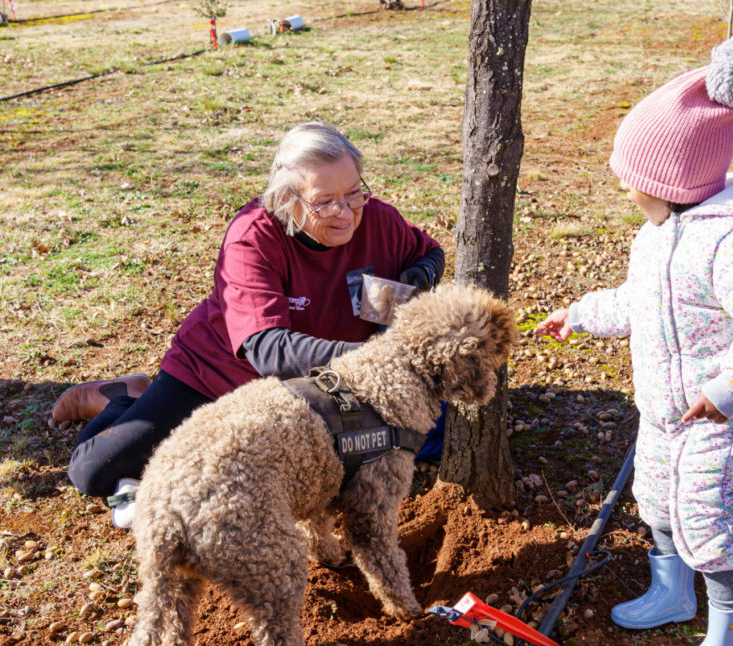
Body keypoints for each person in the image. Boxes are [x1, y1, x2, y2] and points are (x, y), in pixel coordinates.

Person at [535, 34, 733, 646]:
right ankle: (673, 592)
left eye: (632, 175)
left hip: (719, 417)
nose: (624, 184)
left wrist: (732, 386)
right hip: (662, 409)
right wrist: (578, 315)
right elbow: (642, 303)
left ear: (668, 179)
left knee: (708, 521)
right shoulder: (658, 234)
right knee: (655, 500)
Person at [52, 121, 445, 528]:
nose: (345, 213)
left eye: (353, 193)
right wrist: (374, 360)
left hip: (323, 388)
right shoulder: (252, 236)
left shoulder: (376, 217)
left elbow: (430, 251)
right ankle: (121, 397)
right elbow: (268, 349)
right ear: (286, 199)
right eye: (324, 202)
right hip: (217, 378)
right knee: (96, 472)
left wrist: (416, 278)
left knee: (437, 433)